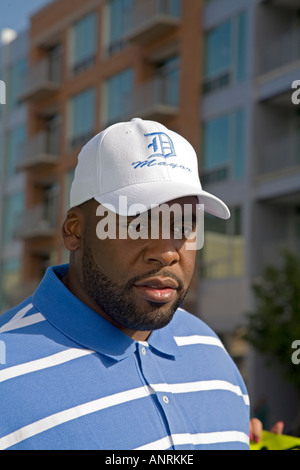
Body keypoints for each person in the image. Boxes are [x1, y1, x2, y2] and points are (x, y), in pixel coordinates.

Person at [0, 118, 277, 450]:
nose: (165, 252)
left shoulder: (210, 349)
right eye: (138, 223)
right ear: (75, 231)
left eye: (184, 224)